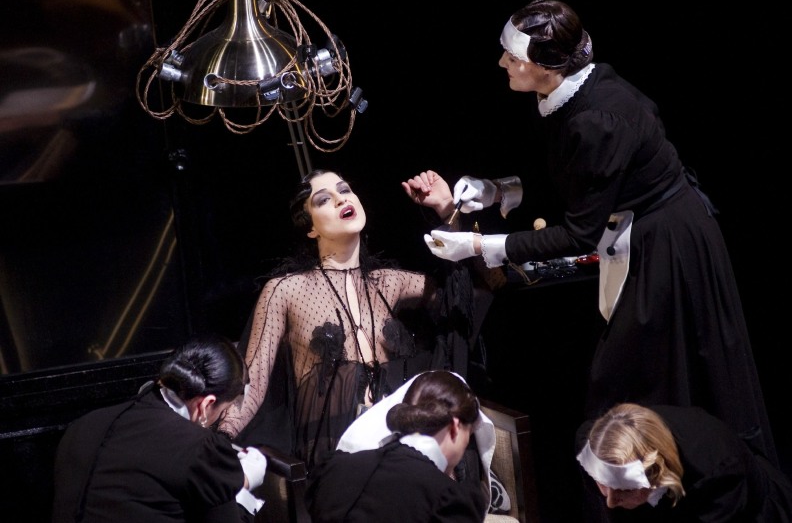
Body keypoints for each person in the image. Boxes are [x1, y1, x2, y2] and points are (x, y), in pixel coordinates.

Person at [402, 0, 778, 467]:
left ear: (545, 67)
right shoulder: (570, 93)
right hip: (645, 233)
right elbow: (580, 176)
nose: (502, 63)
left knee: (657, 375)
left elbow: (581, 232)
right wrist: (499, 190)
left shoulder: (597, 119)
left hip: (670, 246)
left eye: (512, 57)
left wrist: (480, 245)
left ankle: (675, 475)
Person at [218, 169, 501, 470]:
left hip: (399, 449)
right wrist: (217, 443)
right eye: (324, 199)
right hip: (335, 460)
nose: (341, 199)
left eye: (345, 190)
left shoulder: (390, 283)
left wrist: (447, 210)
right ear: (310, 228)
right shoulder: (286, 291)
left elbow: (477, 291)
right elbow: (252, 385)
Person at [52, 333, 267, 523]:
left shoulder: (81, 426)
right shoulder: (201, 448)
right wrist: (242, 492)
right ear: (206, 404)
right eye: (223, 410)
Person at [306, 370, 490, 522]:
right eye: (468, 434)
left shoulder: (335, 468)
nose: (466, 444)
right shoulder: (449, 501)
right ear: (455, 428)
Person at [575, 402, 792, 522]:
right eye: (603, 483)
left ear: (657, 475)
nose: (610, 502)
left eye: (624, 490)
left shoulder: (720, 471)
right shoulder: (591, 443)